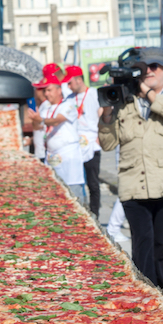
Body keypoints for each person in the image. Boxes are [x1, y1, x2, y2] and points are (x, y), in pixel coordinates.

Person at [99, 48, 163, 299]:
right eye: (144, 67)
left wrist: (147, 93)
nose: (148, 71)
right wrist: (107, 112)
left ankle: (162, 295)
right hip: (133, 186)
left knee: (162, 247)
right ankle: (149, 297)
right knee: (142, 243)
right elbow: (107, 144)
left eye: (154, 67)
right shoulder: (124, 100)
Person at [32, 77, 85, 200]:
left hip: (68, 155)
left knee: (73, 192)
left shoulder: (68, 105)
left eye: (49, 90)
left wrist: (40, 120)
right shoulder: (46, 107)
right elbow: (38, 127)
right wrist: (35, 120)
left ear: (59, 90)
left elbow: (56, 121)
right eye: (45, 91)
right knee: (54, 193)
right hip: (52, 154)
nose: (46, 94)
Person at [63, 64, 102, 216]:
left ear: (79, 80)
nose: (68, 85)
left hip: (91, 143)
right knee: (76, 181)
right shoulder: (69, 98)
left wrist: (99, 139)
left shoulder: (94, 94)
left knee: (93, 183)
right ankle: (78, 213)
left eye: (70, 82)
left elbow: (102, 116)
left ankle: (94, 214)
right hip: (75, 145)